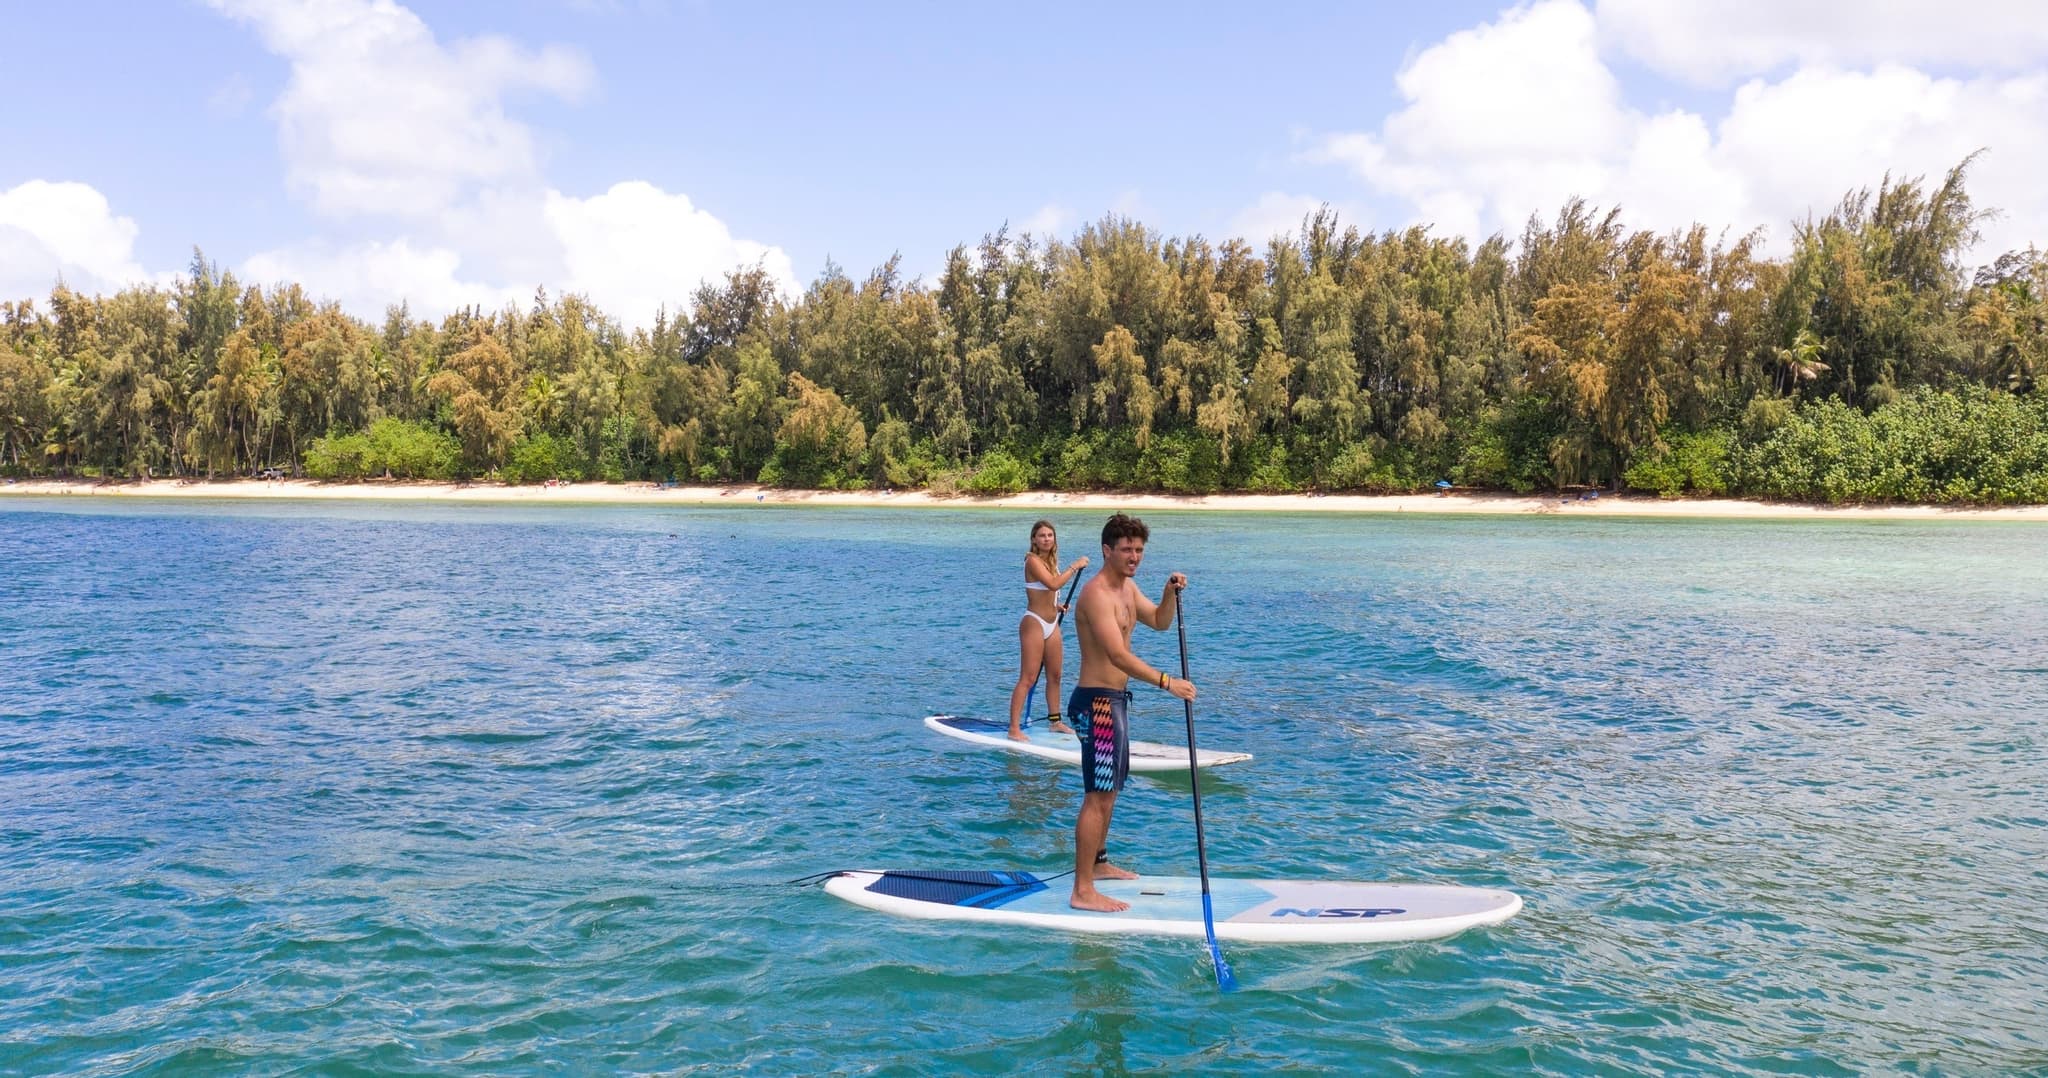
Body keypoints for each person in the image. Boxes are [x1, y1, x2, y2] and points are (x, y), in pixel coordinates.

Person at [1066, 512, 1196, 912]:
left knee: (1112, 790)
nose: (1134, 556)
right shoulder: (1095, 595)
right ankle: (1082, 889)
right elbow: (1117, 655)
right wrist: (1166, 682)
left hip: (1116, 702)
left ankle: (1099, 864)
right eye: (1126, 549)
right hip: (1097, 702)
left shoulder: (1127, 588)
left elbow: (1158, 620)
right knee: (1098, 796)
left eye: (1139, 550)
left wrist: (1169, 593)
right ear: (1108, 550)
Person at [1008, 521, 1089, 741]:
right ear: (1033, 539)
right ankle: (1014, 728)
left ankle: (1055, 722)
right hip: (1033, 623)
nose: (1046, 539)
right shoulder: (1032, 560)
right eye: (1041, 535)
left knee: (1055, 675)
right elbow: (1053, 584)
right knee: (1029, 677)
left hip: (1052, 624)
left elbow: (1046, 593)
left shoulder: (1050, 562)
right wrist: (1075, 566)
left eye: (1050, 535)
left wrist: (1057, 607)